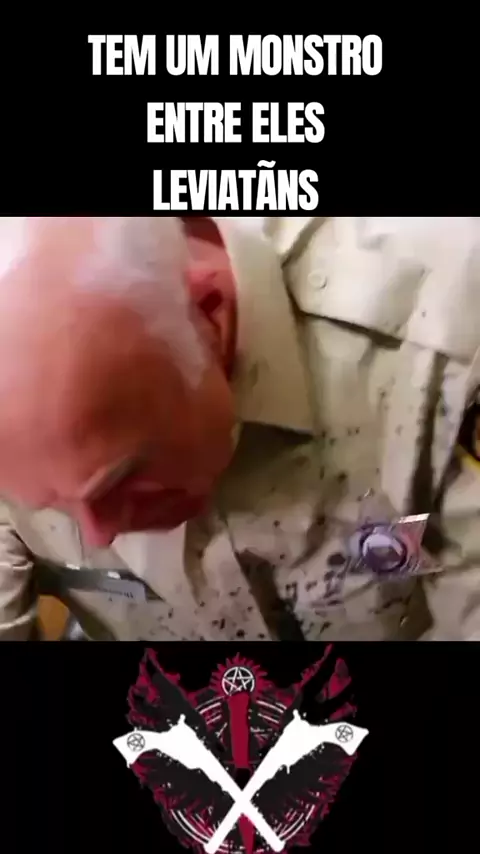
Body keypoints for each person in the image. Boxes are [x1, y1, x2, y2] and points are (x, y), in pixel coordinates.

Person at [0, 215, 480, 641]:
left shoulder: (443, 341)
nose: (98, 535)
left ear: (209, 317)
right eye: (48, 505)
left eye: (120, 479)